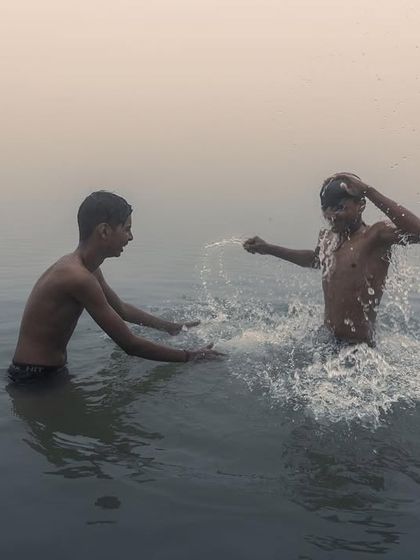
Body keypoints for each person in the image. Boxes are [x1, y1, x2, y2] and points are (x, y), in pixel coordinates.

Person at [9, 191, 222, 383]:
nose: (131, 237)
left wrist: (171, 327)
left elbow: (120, 309)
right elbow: (130, 344)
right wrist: (190, 356)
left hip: (44, 372)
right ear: (104, 231)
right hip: (34, 378)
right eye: (127, 229)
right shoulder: (78, 277)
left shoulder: (86, 269)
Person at [243, 173, 420, 346]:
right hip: (327, 341)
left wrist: (368, 190)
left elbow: (417, 232)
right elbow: (315, 260)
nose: (331, 215)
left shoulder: (375, 237)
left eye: (340, 208)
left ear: (361, 205)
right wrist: (268, 249)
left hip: (359, 349)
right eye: (326, 209)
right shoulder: (328, 237)